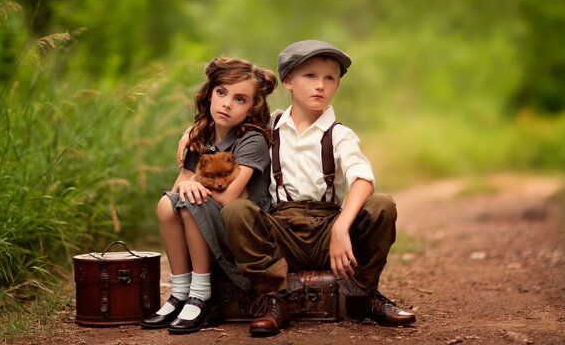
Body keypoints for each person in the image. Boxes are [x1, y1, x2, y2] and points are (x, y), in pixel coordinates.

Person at [215, 40, 416, 336]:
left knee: (382, 205)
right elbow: (222, 130)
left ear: (336, 86)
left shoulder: (340, 134)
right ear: (288, 81)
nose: (320, 85)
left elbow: (362, 178)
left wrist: (340, 228)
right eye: (310, 76)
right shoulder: (267, 127)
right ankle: (272, 298)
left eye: (329, 78)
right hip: (280, 232)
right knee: (237, 211)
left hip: (328, 230)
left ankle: (363, 295)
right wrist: (189, 135)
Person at [141, 56, 277, 335]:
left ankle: (200, 294)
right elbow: (178, 187)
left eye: (240, 99)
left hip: (243, 230)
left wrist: (192, 186)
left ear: (253, 108)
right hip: (208, 219)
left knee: (192, 202)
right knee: (167, 205)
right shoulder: (201, 136)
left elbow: (229, 199)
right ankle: (179, 293)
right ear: (210, 94)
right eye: (222, 92)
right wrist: (187, 182)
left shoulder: (253, 140)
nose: (227, 103)